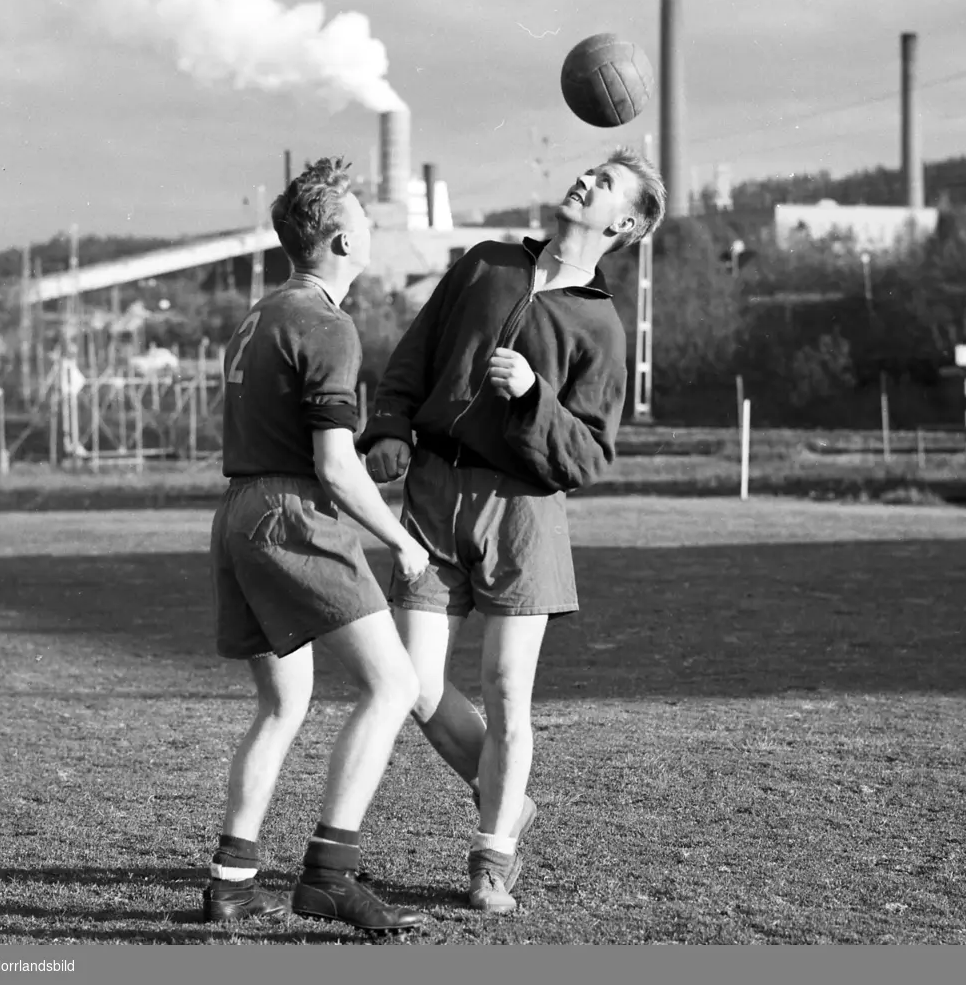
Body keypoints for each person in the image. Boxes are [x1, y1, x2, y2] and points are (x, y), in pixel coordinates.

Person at [358, 146, 666, 914]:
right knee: (413, 683)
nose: (585, 179)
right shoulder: (484, 262)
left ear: (623, 223)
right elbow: (414, 356)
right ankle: (506, 795)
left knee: (505, 694)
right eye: (589, 170)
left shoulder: (601, 325)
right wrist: (391, 428)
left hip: (522, 516)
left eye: (604, 184)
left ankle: (493, 857)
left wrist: (534, 398)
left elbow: (589, 455)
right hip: (430, 496)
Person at [203, 157, 429, 933]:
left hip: (236, 511)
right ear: (340, 239)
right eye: (364, 219)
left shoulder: (258, 314)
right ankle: (329, 876)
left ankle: (230, 884)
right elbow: (333, 468)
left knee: (283, 702)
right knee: (393, 687)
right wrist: (400, 540)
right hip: (288, 516)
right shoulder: (327, 323)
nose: (371, 227)